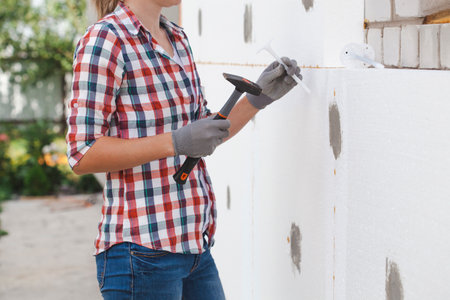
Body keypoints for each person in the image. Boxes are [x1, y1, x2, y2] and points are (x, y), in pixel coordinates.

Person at [66, 0, 301, 299]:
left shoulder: (177, 38)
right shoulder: (105, 40)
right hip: (140, 253)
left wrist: (257, 99)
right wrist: (174, 142)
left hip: (194, 247)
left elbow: (203, 134)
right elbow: (82, 152)